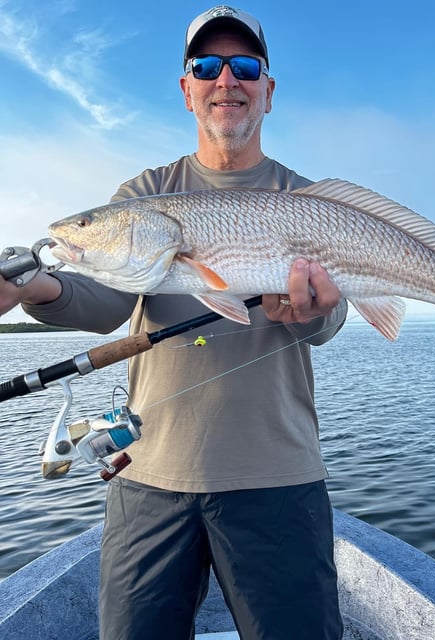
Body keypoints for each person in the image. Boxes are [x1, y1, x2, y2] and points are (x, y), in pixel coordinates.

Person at [0, 6, 347, 640]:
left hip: (279, 477)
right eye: (206, 67)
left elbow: (330, 320)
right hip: (150, 476)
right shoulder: (145, 193)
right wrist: (32, 285)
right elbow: (105, 302)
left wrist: (315, 313)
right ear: (187, 91)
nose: (226, 81)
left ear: (268, 90)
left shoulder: (308, 198)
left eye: (245, 66)